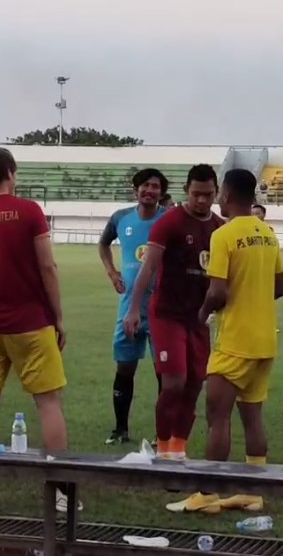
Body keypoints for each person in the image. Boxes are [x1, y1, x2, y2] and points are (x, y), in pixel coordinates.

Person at [0, 146, 75, 512]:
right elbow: (47, 267)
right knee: (48, 403)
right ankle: (60, 493)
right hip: (31, 323)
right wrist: (59, 317)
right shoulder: (28, 211)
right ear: (10, 171)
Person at [168, 168, 283, 515]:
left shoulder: (223, 235)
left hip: (235, 341)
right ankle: (252, 491)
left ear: (227, 196)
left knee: (217, 415)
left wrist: (202, 312)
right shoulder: (267, 234)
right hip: (265, 340)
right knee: (252, 416)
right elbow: (279, 287)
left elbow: (217, 292)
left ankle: (207, 493)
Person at [124, 164, 223, 466]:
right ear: (186, 192)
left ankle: (178, 448)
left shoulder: (220, 227)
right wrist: (132, 309)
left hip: (199, 319)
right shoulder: (170, 222)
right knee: (174, 383)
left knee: (194, 383)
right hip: (166, 314)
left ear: (216, 193)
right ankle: (163, 444)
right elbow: (149, 267)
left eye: (207, 195)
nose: (202, 201)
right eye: (196, 194)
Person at [97, 168, 168, 445]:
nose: (149, 191)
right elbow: (103, 244)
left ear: (161, 193)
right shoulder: (120, 218)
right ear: (135, 189)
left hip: (162, 309)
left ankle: (163, 433)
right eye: (145, 186)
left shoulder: (169, 219)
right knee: (124, 369)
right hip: (128, 308)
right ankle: (120, 429)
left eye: (155, 187)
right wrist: (112, 273)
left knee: (164, 373)